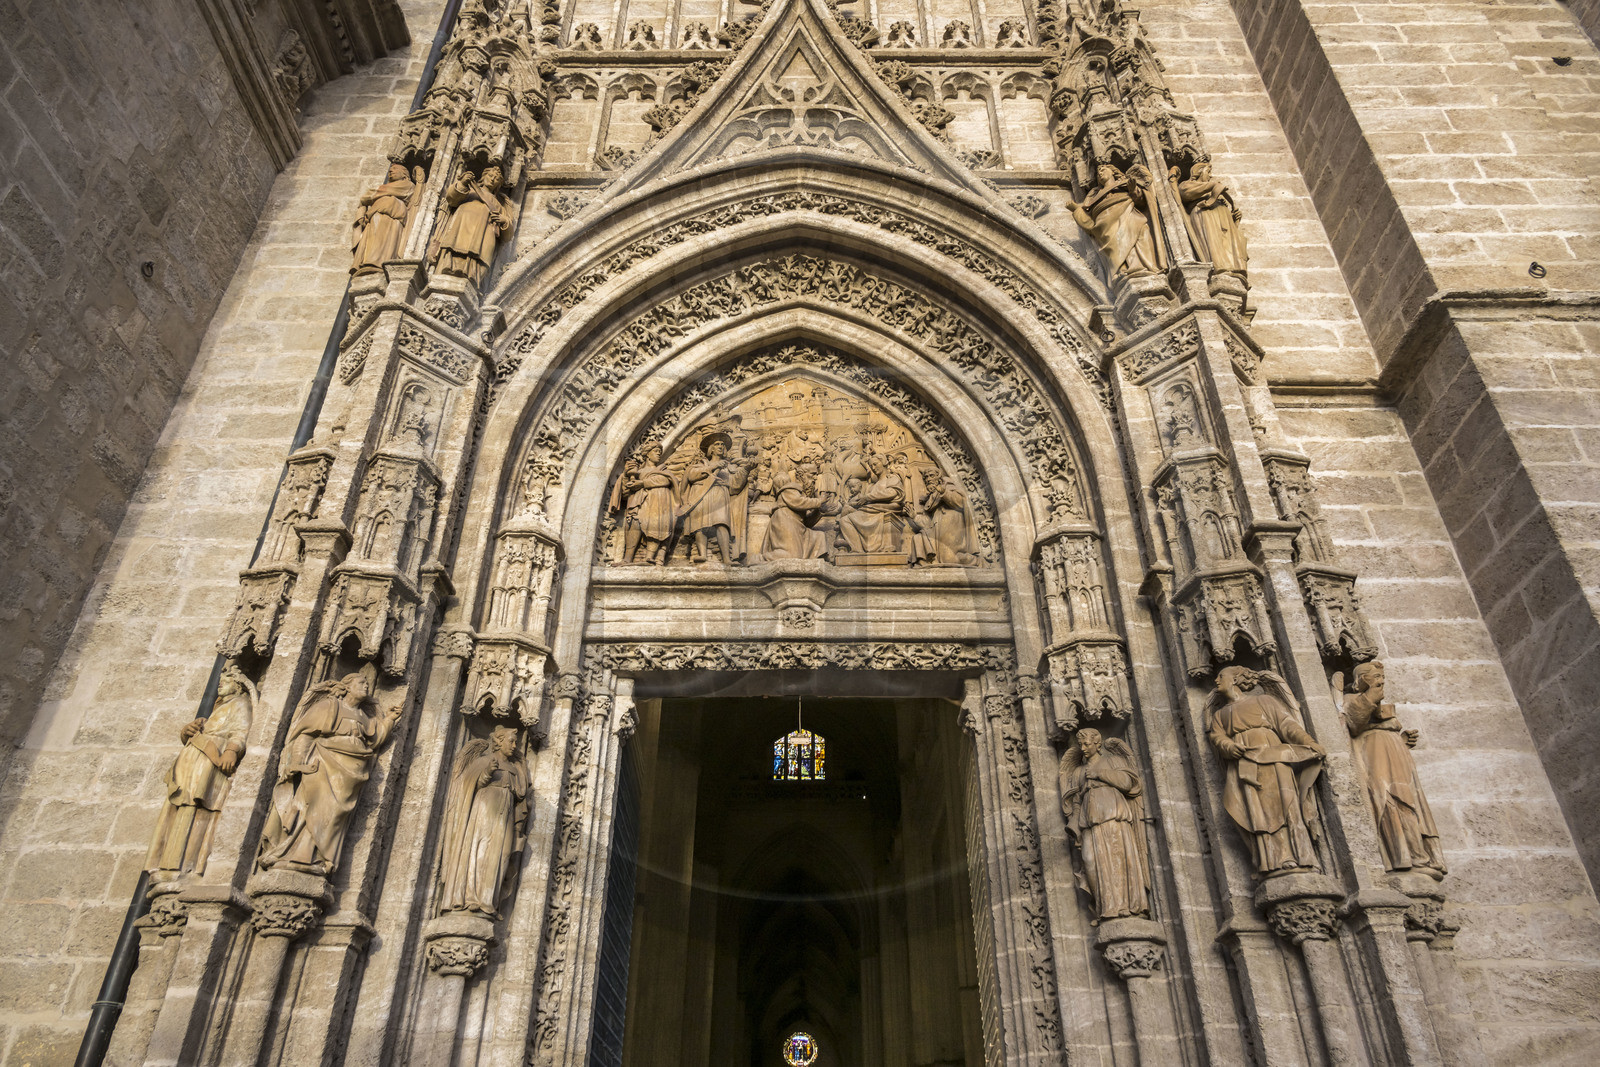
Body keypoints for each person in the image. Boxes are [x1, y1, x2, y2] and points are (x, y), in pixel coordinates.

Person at [258, 665, 403, 876]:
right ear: (347, 687)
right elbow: (306, 734)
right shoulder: (329, 706)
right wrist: (298, 763)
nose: (367, 686)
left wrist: (389, 719)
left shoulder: (363, 716)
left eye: (367, 683)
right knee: (312, 807)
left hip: (349, 773)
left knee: (334, 816)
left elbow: (375, 738)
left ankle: (317, 858)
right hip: (323, 764)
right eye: (361, 683)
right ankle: (291, 854)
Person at [1207, 666, 1325, 876]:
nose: (1216, 680)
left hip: (1272, 757)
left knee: (1283, 804)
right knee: (1256, 811)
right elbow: (1217, 737)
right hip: (1244, 762)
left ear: (1235, 679)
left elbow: (1288, 725)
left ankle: (1301, 856)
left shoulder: (1263, 701)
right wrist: (1229, 746)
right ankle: (1270, 860)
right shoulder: (1219, 714)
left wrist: (1309, 742)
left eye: (1221, 676)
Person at [147, 665, 256, 879]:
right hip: (193, 762)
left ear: (238, 684)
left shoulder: (241, 703)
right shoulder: (219, 708)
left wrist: (232, 751)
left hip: (209, 765)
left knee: (196, 809)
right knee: (181, 807)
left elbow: (240, 731)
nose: (220, 683)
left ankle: (183, 866)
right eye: (220, 678)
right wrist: (186, 731)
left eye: (226, 679)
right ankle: (167, 863)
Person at [1338, 662, 1445, 878]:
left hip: (1395, 752)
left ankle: (1425, 855)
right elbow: (1355, 724)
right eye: (1376, 676)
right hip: (1375, 754)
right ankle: (1409, 856)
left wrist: (1402, 740)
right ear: (1362, 679)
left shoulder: (1377, 704)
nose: (1382, 680)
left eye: (1382, 676)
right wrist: (1370, 697)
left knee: (1412, 801)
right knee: (1392, 799)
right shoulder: (1351, 699)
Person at [437, 726, 531, 917]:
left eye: (516, 742)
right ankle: (471, 897)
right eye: (511, 741)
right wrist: (487, 772)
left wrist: (521, 767)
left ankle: (489, 900)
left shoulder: (513, 768)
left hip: (505, 812)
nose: (514, 745)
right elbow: (471, 785)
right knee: (479, 850)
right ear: (499, 741)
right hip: (485, 808)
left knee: (504, 852)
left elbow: (521, 793)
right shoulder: (484, 761)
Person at [1059, 729, 1151, 921]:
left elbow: (1128, 783)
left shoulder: (1112, 761)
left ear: (1097, 744)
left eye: (1087, 744)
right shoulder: (1077, 772)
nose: (1083, 748)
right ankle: (1106, 906)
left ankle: (1127, 906)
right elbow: (1075, 800)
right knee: (1090, 860)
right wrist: (1074, 824)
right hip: (1089, 821)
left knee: (1119, 858)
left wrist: (1100, 773)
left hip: (1113, 815)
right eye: (1081, 745)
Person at [1066, 163, 1160, 278]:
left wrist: (1133, 191)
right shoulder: (1094, 194)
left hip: (1127, 212)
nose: (1100, 173)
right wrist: (1076, 209)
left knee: (1138, 229)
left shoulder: (1123, 184)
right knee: (1114, 246)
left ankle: (1138, 267)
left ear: (1113, 172)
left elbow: (1141, 202)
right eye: (1098, 173)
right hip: (1104, 224)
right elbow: (1088, 216)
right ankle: (1122, 270)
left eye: (1103, 169)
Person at [431, 165, 512, 285]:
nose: (492, 179)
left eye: (496, 179)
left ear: (499, 184)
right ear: (483, 177)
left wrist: (504, 220)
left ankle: (472, 279)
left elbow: (507, 236)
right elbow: (452, 199)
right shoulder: (470, 192)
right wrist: (463, 183)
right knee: (455, 247)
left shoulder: (499, 204)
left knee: (480, 254)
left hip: (484, 236)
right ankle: (447, 270)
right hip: (462, 227)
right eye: (490, 176)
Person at [679, 433, 749, 565]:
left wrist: (746, 470)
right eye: (717, 444)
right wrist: (715, 466)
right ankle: (702, 554)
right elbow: (692, 476)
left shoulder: (729, 467)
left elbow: (735, 485)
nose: (721, 446)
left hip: (719, 494)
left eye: (722, 444)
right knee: (700, 524)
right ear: (711, 448)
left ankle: (726, 559)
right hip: (701, 495)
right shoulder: (701, 464)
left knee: (722, 523)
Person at [612, 442, 679, 565]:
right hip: (638, 502)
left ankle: (650, 557)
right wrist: (627, 475)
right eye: (655, 451)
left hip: (657, 504)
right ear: (647, 454)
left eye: (660, 452)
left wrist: (642, 483)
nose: (659, 454)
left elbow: (665, 480)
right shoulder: (638, 472)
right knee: (633, 525)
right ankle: (627, 558)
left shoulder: (663, 471)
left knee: (655, 526)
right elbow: (625, 492)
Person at [1177, 160, 1247, 275]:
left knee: (1226, 242)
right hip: (1205, 213)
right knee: (1213, 241)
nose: (1210, 175)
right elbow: (1185, 194)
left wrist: (1234, 220)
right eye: (1208, 172)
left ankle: (1234, 269)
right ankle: (1219, 269)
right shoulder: (1186, 184)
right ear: (1199, 171)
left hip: (1221, 218)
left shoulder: (1212, 190)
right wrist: (1213, 187)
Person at [350, 162, 422, 275]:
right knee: (372, 239)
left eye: (395, 169)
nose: (390, 171)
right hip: (376, 214)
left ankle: (377, 263)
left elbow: (375, 192)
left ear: (404, 175)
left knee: (384, 239)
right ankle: (368, 261)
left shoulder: (407, 185)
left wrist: (365, 198)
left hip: (391, 216)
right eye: (390, 170)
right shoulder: (390, 187)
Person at [759, 470, 839, 561]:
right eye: (811, 475)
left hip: (797, 526)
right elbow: (799, 502)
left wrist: (819, 511)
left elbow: (806, 523)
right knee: (791, 556)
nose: (815, 479)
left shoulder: (799, 494)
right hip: (785, 521)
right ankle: (759, 559)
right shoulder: (788, 489)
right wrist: (819, 501)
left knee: (819, 536)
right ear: (802, 477)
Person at [837, 455, 909, 555]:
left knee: (846, 518)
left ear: (884, 462)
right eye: (871, 466)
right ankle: (857, 550)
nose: (873, 468)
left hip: (882, 510)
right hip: (870, 510)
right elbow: (865, 501)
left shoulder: (892, 478)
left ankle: (842, 540)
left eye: (875, 464)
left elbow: (893, 492)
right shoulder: (872, 486)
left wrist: (867, 498)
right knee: (844, 519)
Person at [909, 468, 978, 566]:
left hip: (951, 527)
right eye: (926, 477)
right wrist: (915, 516)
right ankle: (927, 564)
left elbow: (960, 502)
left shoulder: (948, 486)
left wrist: (943, 491)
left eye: (931, 476)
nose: (928, 479)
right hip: (936, 530)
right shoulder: (932, 498)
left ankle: (975, 561)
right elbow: (928, 523)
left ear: (938, 477)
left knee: (948, 559)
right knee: (918, 538)